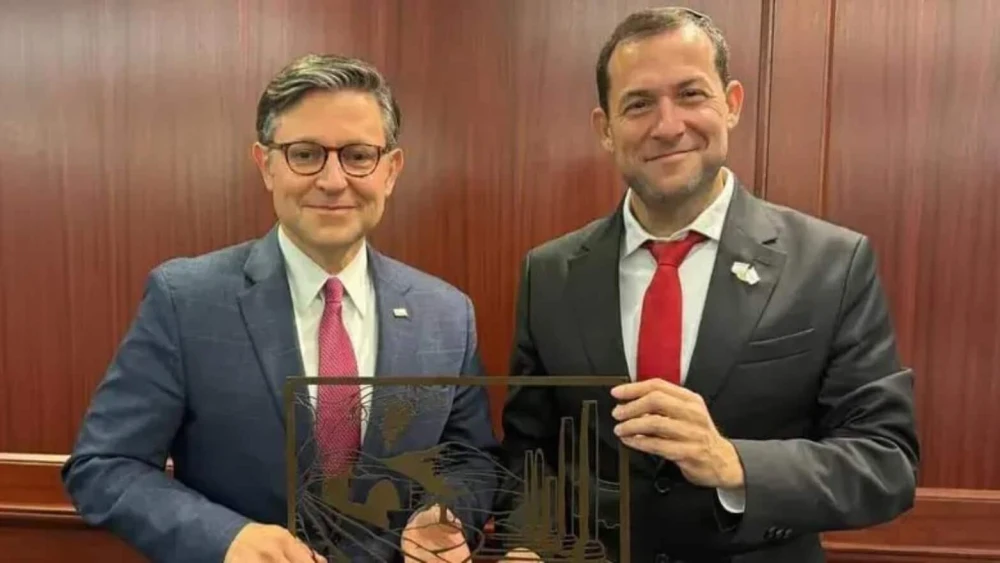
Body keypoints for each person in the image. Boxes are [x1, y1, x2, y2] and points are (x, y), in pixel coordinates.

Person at [497, 7, 919, 563]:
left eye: (691, 94)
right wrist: (528, 541)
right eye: (639, 103)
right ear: (605, 128)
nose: (668, 125)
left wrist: (734, 463)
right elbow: (532, 458)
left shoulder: (831, 264)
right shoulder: (549, 273)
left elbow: (886, 463)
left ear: (732, 103)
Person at [63, 53, 499, 563]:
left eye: (358, 155)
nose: (334, 180)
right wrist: (225, 539)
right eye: (305, 153)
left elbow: (472, 461)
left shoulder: (447, 314)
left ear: (391, 170)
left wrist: (446, 513)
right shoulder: (185, 301)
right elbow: (103, 465)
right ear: (265, 164)